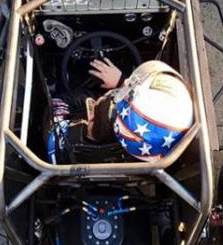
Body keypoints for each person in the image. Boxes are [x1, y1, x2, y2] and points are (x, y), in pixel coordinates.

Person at [47, 58, 193, 165]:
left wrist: (114, 91)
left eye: (115, 94)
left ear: (91, 116)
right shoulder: (150, 153)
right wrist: (122, 82)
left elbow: (57, 104)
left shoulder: (58, 142)